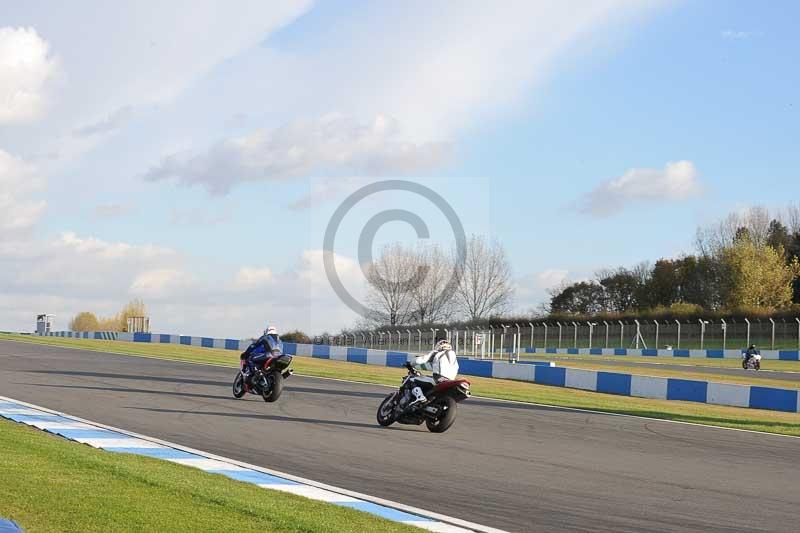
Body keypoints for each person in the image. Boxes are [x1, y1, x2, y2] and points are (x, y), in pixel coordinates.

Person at [402, 338, 459, 408]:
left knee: (412, 379)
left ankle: (420, 397)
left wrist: (410, 363)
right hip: (450, 381)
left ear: (439, 345)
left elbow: (420, 360)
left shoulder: (436, 353)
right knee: (427, 378)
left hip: (439, 378)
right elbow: (435, 367)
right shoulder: (454, 357)